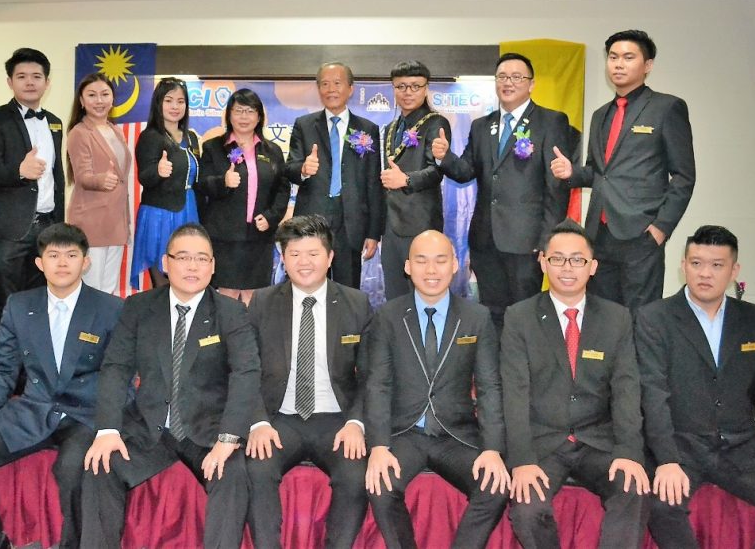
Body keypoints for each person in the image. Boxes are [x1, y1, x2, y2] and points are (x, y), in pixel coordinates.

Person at [80, 223, 260, 549]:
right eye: (184, 257)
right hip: (148, 426)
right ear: (165, 263)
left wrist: (228, 438)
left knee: (232, 473)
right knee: (100, 465)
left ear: (213, 266)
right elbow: (116, 368)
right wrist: (107, 429)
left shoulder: (231, 313)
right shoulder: (138, 307)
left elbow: (245, 374)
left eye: (202, 259)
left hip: (208, 429)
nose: (193, 266)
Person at [0, 223, 124, 549]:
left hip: (86, 415)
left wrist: (110, 426)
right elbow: (3, 371)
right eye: (53, 255)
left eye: (71, 255)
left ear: (85, 262)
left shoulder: (111, 308)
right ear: (40, 263)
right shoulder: (19, 305)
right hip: (34, 410)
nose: (62, 263)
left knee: (73, 468)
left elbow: (120, 375)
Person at [637, 225, 755, 548]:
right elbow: (653, 395)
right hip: (682, 447)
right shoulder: (654, 318)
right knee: (661, 509)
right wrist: (666, 460)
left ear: (734, 271)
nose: (705, 273)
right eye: (696, 263)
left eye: (717, 265)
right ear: (683, 265)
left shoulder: (754, 319)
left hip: (742, 448)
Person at [501, 219, 649, 549]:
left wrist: (628, 451)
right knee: (527, 510)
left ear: (592, 267)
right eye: (558, 258)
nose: (567, 268)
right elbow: (514, 393)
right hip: (542, 444)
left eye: (578, 260)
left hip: (598, 442)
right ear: (543, 262)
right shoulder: (519, 317)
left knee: (633, 489)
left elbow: (627, 390)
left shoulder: (617, 318)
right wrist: (522, 459)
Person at [364, 230, 509, 548]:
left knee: (496, 488)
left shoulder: (477, 317)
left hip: (456, 435)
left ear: (455, 264)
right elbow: (378, 384)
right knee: (381, 486)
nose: (431, 270)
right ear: (407, 266)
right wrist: (378, 446)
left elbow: (489, 387)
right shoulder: (388, 316)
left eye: (441, 260)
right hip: (405, 433)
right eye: (422, 261)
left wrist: (492, 449)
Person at [245, 215, 374, 548]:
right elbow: (245, 370)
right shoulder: (261, 302)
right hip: (279, 419)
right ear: (283, 258)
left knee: (355, 475)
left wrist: (357, 422)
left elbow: (372, 375)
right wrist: (258, 421)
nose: (304, 262)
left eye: (313, 253)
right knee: (257, 470)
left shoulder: (356, 304)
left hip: (336, 419)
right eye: (295, 254)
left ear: (330, 257)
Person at [550, 29, 695, 311]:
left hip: (641, 234)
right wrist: (572, 173)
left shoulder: (667, 108)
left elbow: (684, 176)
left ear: (647, 65)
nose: (618, 64)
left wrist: (661, 228)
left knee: (641, 316)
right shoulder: (600, 115)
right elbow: (598, 172)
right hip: (599, 233)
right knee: (602, 315)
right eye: (613, 57)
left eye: (628, 57)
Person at [433, 53, 573, 332]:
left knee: (525, 317)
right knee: (491, 315)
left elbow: (556, 186)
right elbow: (466, 171)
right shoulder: (482, 126)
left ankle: (523, 363)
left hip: (527, 241)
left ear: (531, 84)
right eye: (502, 77)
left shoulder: (551, 121)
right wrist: (444, 156)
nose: (508, 83)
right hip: (485, 240)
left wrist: (548, 239)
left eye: (516, 77)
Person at [0, 47, 65, 308]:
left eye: (36, 76)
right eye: (22, 76)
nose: (30, 82)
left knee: (42, 299)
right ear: (10, 81)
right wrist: (19, 171)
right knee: (6, 300)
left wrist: (59, 225)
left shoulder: (55, 122)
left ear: (47, 83)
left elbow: (57, 177)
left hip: (47, 226)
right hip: (10, 230)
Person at [285, 62, 384, 289]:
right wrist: (303, 169)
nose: (331, 89)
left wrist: (373, 233)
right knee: (308, 284)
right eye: (325, 84)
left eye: (337, 83)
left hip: (351, 222)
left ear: (350, 88)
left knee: (347, 290)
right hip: (312, 219)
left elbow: (373, 183)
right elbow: (289, 168)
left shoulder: (367, 129)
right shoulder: (304, 125)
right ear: (318, 89)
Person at [198, 88, 290, 305]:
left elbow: (282, 189)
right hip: (225, 236)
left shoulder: (272, 151)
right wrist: (222, 182)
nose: (244, 117)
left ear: (259, 116)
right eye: (238, 111)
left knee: (253, 297)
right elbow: (201, 185)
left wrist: (271, 217)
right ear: (229, 115)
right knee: (227, 294)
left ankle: (250, 330)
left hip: (259, 237)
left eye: (250, 111)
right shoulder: (213, 147)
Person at [379, 60, 451, 301]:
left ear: (426, 88)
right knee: (395, 295)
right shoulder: (390, 128)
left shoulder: (436, 123)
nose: (407, 92)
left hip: (421, 223)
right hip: (390, 226)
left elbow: (436, 171)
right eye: (401, 86)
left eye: (415, 86)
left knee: (423, 295)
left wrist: (405, 179)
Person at [130, 77, 201, 287]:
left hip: (188, 209)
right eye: (169, 100)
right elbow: (144, 177)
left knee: (186, 272)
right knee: (164, 275)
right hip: (160, 214)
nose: (175, 106)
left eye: (180, 101)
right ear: (158, 103)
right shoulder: (150, 136)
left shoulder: (191, 137)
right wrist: (158, 171)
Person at [66, 73, 132, 295]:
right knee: (92, 288)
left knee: (109, 288)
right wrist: (100, 180)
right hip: (92, 221)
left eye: (105, 94)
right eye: (92, 95)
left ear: (112, 99)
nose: (99, 100)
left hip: (116, 219)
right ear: (81, 101)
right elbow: (82, 176)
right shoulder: (79, 133)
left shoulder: (115, 130)